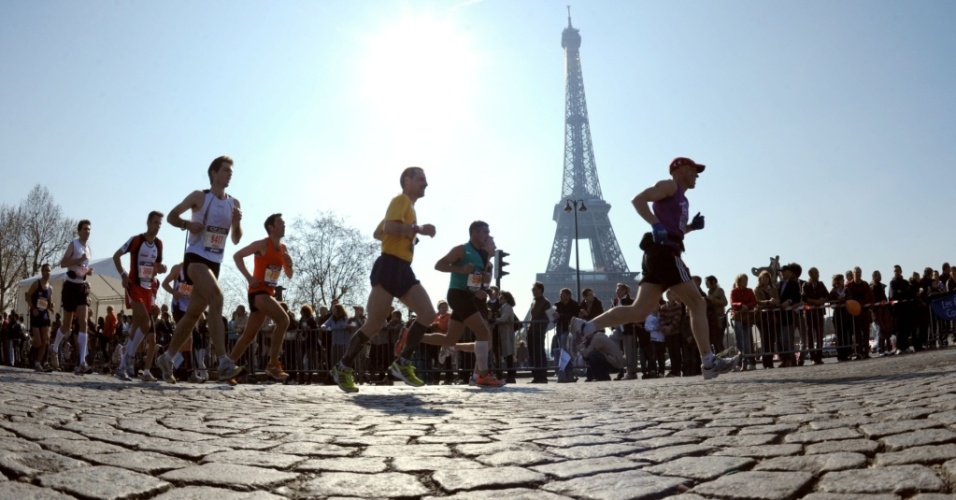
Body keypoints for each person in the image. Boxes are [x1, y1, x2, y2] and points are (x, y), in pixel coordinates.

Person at [569, 157, 738, 379]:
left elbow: (672, 230)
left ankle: (586, 327)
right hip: (666, 253)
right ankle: (708, 362)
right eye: (694, 170)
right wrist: (654, 223)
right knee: (697, 302)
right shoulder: (669, 186)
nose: (697, 175)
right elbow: (638, 200)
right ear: (680, 170)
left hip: (657, 254)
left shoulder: (683, 201)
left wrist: (690, 228)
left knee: (639, 311)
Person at [330, 167, 438, 393]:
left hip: (402, 268)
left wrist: (409, 236)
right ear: (407, 180)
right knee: (375, 323)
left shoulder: (407, 207)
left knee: (428, 313)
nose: (425, 183)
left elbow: (379, 233)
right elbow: (388, 228)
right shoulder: (400, 200)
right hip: (389, 266)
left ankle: (402, 362)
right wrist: (418, 230)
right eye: (421, 179)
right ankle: (343, 367)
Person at [156, 155, 244, 384]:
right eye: (225, 170)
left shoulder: (234, 203)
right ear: (214, 173)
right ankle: (224, 361)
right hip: (195, 259)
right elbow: (172, 216)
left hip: (215, 263)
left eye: (231, 171)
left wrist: (236, 222)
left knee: (194, 314)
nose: (230, 173)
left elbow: (235, 239)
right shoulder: (200, 197)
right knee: (217, 297)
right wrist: (187, 224)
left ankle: (167, 357)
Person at [419, 221, 505, 387]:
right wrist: (460, 269)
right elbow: (439, 265)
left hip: (470, 297)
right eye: (485, 232)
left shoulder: (483, 256)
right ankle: (482, 375)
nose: (488, 236)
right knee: (483, 332)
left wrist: (484, 286)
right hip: (458, 295)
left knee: (450, 339)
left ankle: (412, 336)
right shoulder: (462, 249)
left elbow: (481, 282)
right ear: (474, 232)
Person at [229, 213, 294, 382]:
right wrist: (249, 278)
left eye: (284, 222)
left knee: (248, 336)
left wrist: (289, 263)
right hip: (258, 292)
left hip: (268, 293)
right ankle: (272, 364)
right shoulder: (262, 244)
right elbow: (237, 256)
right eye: (280, 222)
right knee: (283, 320)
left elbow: (289, 274)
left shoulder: (283, 248)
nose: (284, 225)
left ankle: (227, 368)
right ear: (271, 227)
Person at [112, 211, 167, 381]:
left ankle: (122, 366)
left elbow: (156, 266)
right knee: (146, 323)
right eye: (155, 222)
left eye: (160, 224)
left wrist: (162, 268)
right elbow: (116, 256)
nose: (157, 226)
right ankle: (129, 357)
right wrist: (122, 274)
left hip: (148, 288)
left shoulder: (159, 244)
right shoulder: (136, 240)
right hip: (134, 286)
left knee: (138, 328)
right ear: (148, 222)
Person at [50, 219, 94, 374]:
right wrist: (79, 260)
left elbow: (82, 267)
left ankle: (82, 361)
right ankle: (54, 347)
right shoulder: (73, 244)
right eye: (84, 229)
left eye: (89, 229)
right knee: (67, 325)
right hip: (70, 285)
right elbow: (63, 263)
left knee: (83, 322)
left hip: (81, 285)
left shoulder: (88, 248)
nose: (87, 231)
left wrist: (87, 271)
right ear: (79, 231)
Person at [25, 263, 55, 372]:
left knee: (45, 340)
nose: (48, 273)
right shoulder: (36, 284)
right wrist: (33, 309)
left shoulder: (50, 288)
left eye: (49, 271)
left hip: (44, 315)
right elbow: (27, 297)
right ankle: (30, 354)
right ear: (42, 272)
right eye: (46, 270)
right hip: (36, 315)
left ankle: (38, 362)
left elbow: (50, 303)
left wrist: (51, 306)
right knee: (37, 341)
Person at [801, 267, 829, 365]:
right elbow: (804, 297)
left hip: (820, 313)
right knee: (811, 336)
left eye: (818, 273)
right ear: (810, 275)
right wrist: (815, 302)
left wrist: (823, 300)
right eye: (815, 273)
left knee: (820, 335)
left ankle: (819, 357)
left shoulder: (821, 284)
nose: (818, 275)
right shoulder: (806, 285)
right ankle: (812, 357)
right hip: (809, 314)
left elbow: (827, 295)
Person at [730, 273, 757, 371]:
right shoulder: (734, 291)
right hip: (738, 318)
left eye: (746, 280)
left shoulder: (749, 291)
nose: (745, 282)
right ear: (739, 281)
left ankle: (747, 362)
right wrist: (741, 305)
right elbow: (733, 302)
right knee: (739, 341)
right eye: (743, 280)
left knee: (747, 341)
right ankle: (740, 362)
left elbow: (754, 301)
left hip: (747, 318)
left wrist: (748, 306)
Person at [528, 281, 552, 383]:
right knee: (533, 354)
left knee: (539, 353)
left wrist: (541, 327)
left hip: (538, 331)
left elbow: (549, 317)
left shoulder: (545, 302)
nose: (532, 290)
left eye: (534, 288)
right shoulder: (534, 301)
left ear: (540, 289)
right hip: (532, 331)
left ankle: (542, 376)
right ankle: (536, 376)